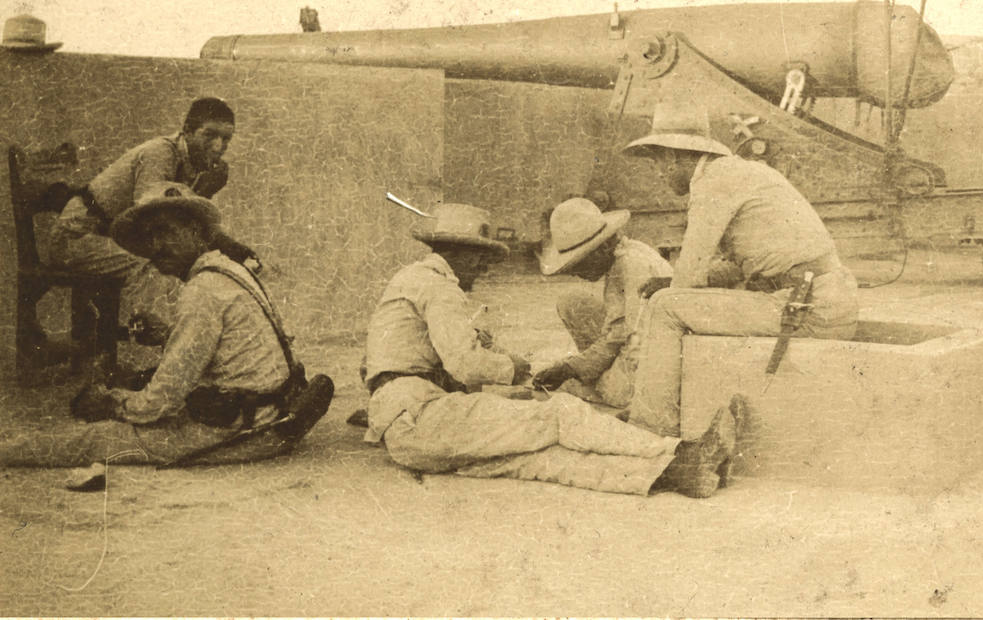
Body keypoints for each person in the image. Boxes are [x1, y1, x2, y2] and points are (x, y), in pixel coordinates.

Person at [362, 202, 740, 498]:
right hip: (424, 416)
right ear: (455, 251)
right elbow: (466, 364)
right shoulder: (440, 287)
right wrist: (514, 369)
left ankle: (677, 475)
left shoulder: (410, 281)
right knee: (558, 415)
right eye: (480, 255)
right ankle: (681, 451)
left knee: (548, 460)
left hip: (410, 433)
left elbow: (380, 368)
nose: (485, 266)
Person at [0, 182, 332, 471]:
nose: (155, 246)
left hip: (244, 432)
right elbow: (231, 342)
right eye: (148, 236)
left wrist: (112, 402)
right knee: (135, 382)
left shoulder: (201, 292)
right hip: (274, 413)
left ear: (197, 233)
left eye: (166, 231)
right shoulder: (232, 270)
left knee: (94, 440)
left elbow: (159, 405)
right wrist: (166, 337)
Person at [620, 100, 859, 437]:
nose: (660, 174)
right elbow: (739, 267)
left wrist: (671, 284)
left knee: (665, 307)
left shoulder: (713, 182)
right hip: (825, 299)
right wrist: (671, 280)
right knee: (674, 299)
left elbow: (688, 277)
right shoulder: (741, 172)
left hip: (807, 308)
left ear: (674, 156)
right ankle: (656, 405)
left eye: (658, 163)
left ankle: (649, 429)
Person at [37, 97, 254, 355]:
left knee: (180, 262)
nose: (218, 146)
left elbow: (184, 224)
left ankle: (177, 347)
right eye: (209, 135)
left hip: (105, 240)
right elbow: (148, 219)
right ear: (187, 129)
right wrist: (227, 242)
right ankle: (142, 356)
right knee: (152, 264)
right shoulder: (160, 153)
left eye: (226, 139)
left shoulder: (195, 166)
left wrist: (232, 244)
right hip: (76, 238)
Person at [531, 196, 673, 409]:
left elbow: (630, 341)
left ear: (603, 248)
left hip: (652, 358)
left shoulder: (631, 267)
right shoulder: (628, 252)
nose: (577, 273)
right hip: (640, 343)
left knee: (569, 388)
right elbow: (617, 331)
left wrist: (574, 369)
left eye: (581, 262)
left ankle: (596, 379)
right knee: (572, 302)